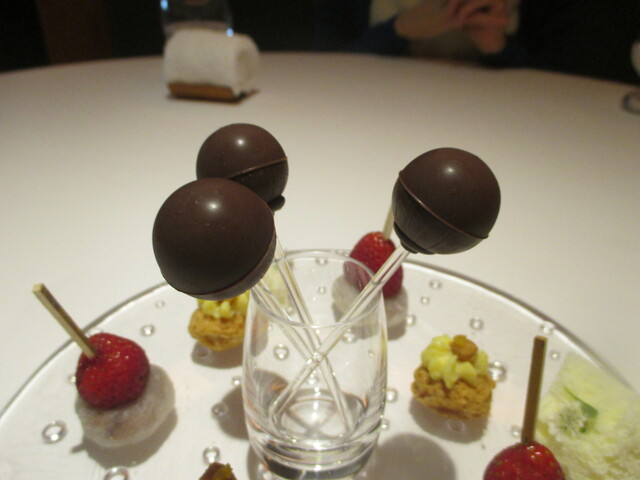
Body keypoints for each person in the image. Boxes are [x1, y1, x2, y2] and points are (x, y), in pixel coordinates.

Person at [313, 0, 640, 84]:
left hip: (505, 126)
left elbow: (567, 90)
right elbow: (318, 70)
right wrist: (398, 30)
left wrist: (499, 48)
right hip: (373, 109)